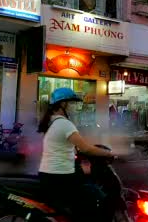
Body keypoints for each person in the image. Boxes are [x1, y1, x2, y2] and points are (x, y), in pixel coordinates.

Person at [38, 88, 119, 221]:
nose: (75, 107)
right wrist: (109, 153)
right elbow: (86, 148)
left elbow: (75, 148)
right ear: (63, 104)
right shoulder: (64, 124)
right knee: (95, 197)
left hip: (50, 175)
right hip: (61, 177)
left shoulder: (52, 122)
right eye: (72, 103)